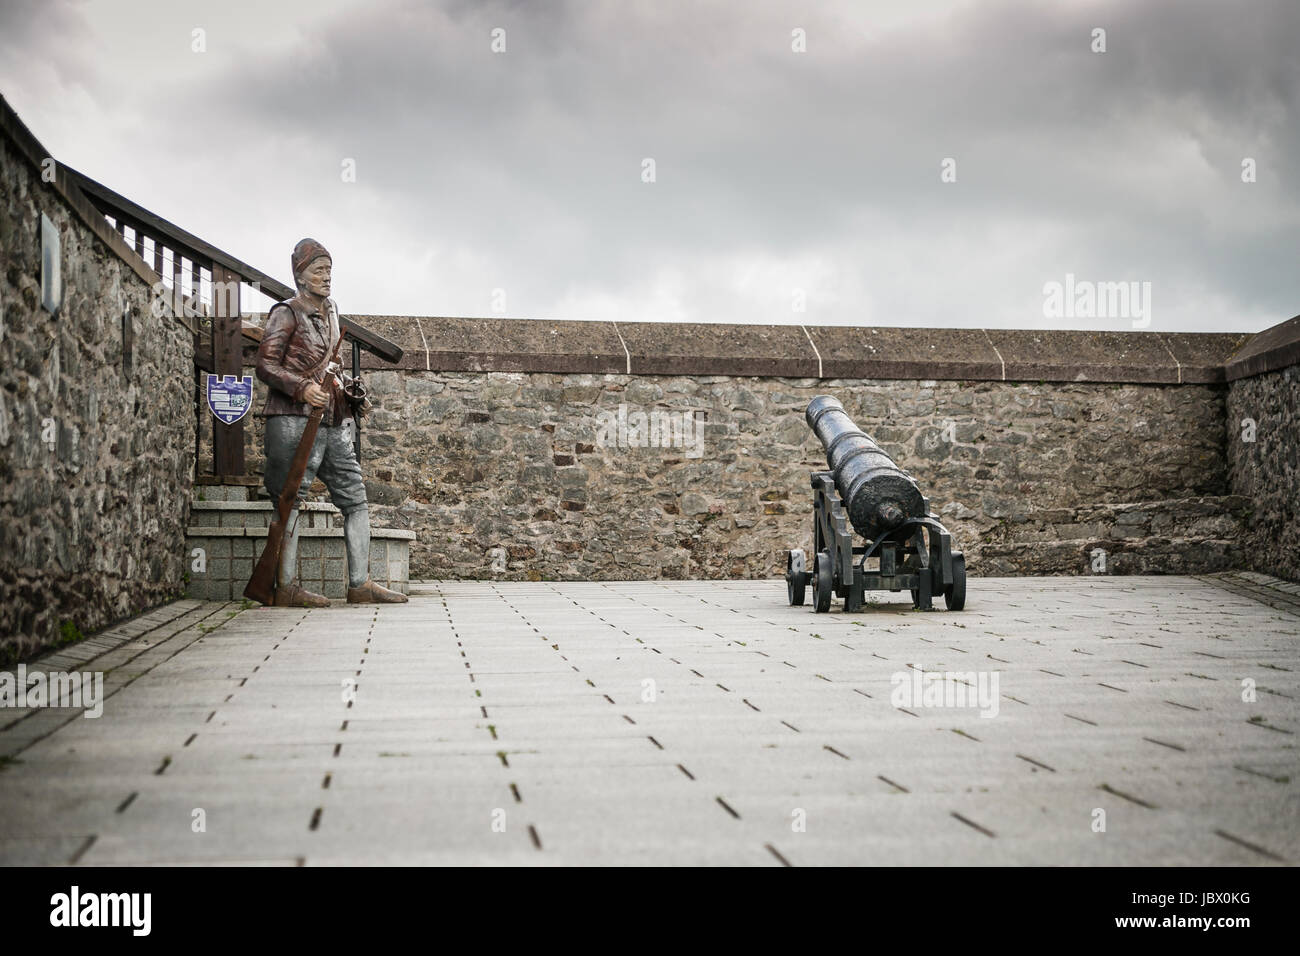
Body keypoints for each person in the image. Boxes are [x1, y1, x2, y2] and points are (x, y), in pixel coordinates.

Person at [255, 238, 407, 606]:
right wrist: (302, 388)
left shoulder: (332, 311)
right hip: (293, 419)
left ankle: (359, 584)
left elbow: (330, 366)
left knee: (355, 498)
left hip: (333, 418)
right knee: (290, 501)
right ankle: (284, 587)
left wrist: (347, 389)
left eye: (329, 270)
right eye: (318, 270)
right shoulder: (286, 313)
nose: (326, 277)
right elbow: (265, 365)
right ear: (300, 276)